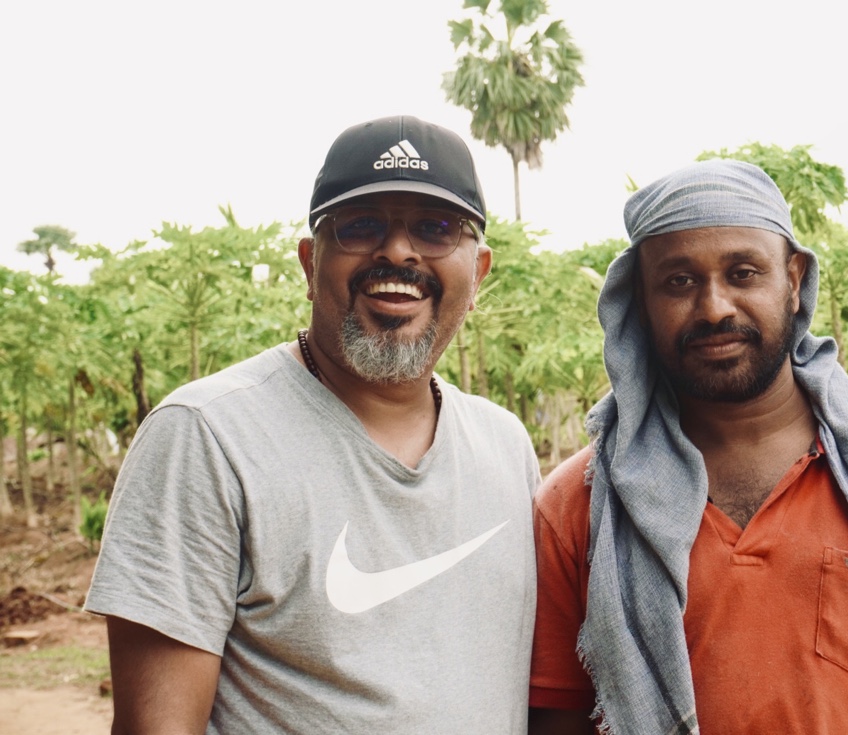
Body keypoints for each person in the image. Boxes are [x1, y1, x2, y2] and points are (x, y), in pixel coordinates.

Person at [85, 115, 540, 734]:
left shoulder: (505, 444)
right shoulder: (207, 437)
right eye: (361, 225)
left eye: (436, 228)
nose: (397, 251)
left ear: (479, 270)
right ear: (309, 262)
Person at [527, 160, 848, 734]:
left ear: (794, 280)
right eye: (679, 281)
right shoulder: (580, 504)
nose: (714, 308)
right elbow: (560, 721)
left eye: (743, 273)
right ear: (639, 302)